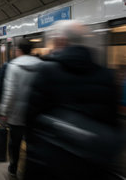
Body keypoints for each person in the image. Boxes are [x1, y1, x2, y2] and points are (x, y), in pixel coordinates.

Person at [24, 21, 120, 180]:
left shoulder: (47, 70)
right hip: (92, 165)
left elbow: (32, 119)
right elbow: (112, 123)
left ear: (62, 41)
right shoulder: (107, 75)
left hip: (52, 161)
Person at [0, 38, 42, 178]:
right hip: (35, 113)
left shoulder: (13, 66)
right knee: (32, 143)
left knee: (15, 143)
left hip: (16, 114)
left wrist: (4, 111)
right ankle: (32, 169)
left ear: (19, 50)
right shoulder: (42, 65)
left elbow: (10, 92)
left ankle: (13, 167)